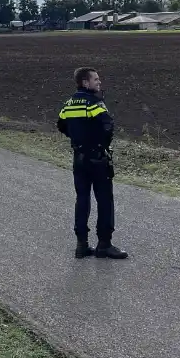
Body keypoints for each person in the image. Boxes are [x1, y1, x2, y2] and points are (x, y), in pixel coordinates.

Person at [56, 67, 128, 260]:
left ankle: (81, 246)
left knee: (82, 200)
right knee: (104, 200)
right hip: (97, 159)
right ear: (85, 83)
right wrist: (101, 145)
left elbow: (61, 124)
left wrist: (77, 139)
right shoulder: (95, 102)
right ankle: (104, 245)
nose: (99, 82)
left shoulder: (69, 103)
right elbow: (108, 125)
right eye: (95, 79)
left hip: (78, 158)